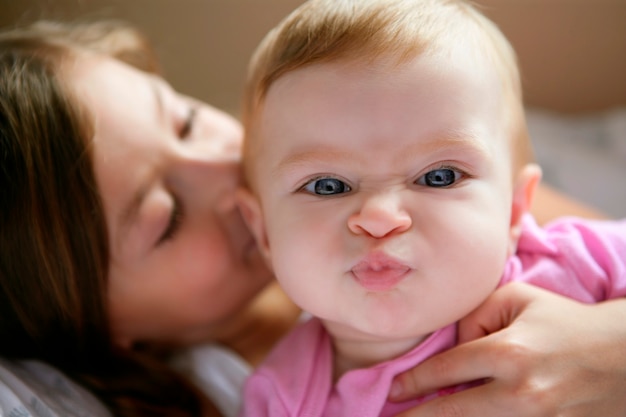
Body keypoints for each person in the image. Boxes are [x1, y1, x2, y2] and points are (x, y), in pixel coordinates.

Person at [1, 16, 626, 417]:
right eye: (166, 219)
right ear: (104, 327)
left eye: (186, 120)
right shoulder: (264, 394)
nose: (226, 167)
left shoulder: (467, 197)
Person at [235, 0, 626, 416]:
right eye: (327, 186)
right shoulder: (280, 398)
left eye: (439, 177)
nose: (379, 219)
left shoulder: (583, 262)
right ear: (263, 233)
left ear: (514, 210)